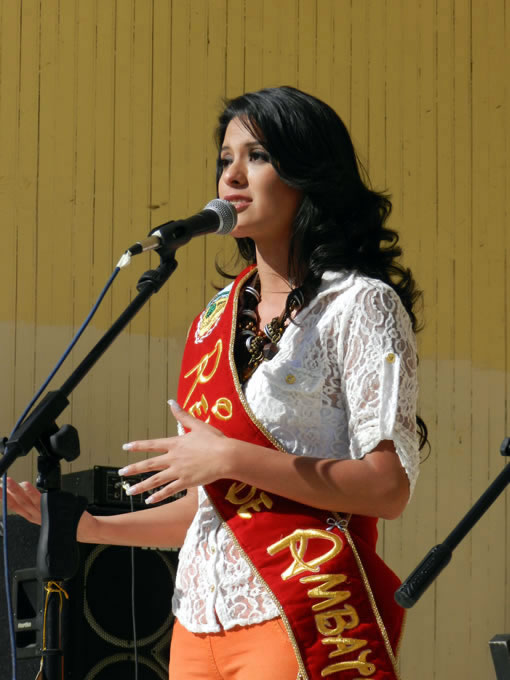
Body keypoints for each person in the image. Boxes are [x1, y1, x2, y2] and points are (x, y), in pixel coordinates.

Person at [3, 86, 426, 680]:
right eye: (226, 158)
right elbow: (213, 511)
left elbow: (387, 488)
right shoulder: (215, 319)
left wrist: (231, 456)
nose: (232, 176)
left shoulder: (359, 305)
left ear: (308, 174)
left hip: (299, 615)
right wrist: (86, 528)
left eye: (258, 156)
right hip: (196, 623)